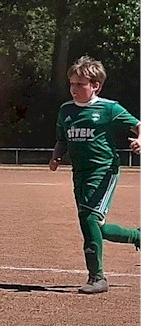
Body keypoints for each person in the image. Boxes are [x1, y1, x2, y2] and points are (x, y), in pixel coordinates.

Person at [49, 56, 141, 294]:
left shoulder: (109, 108)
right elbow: (62, 138)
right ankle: (137, 236)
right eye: (72, 84)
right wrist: (57, 155)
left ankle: (97, 278)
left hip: (104, 171)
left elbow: (138, 125)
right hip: (79, 173)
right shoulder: (66, 110)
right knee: (91, 225)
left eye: (81, 84)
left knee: (90, 220)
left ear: (95, 85)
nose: (74, 89)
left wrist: (140, 139)